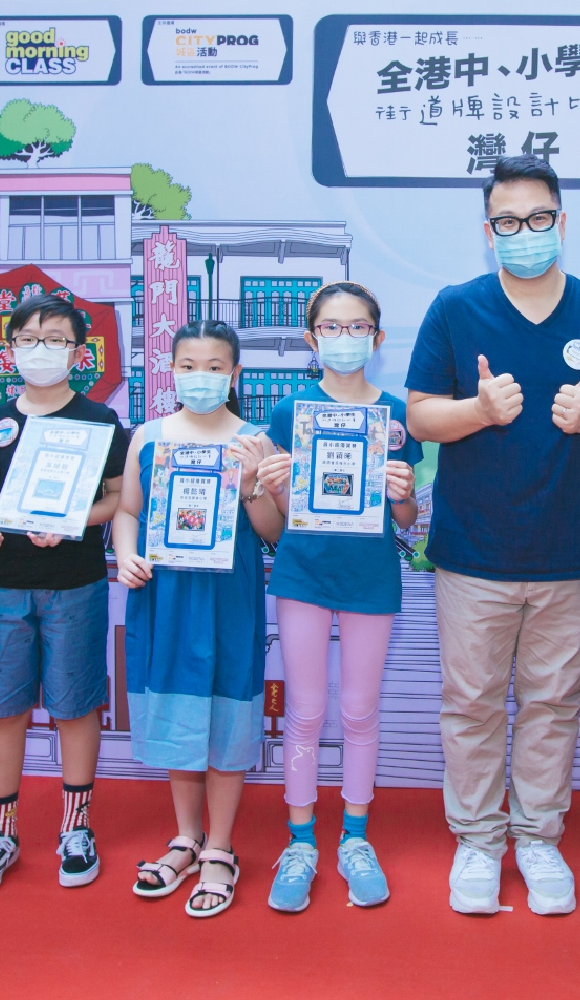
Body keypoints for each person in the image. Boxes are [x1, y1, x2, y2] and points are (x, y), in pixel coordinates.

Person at [405, 154, 580, 915]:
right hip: (473, 552)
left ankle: (539, 837)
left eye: (538, 218)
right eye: (507, 222)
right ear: (489, 232)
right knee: (472, 704)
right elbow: (419, 415)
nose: (524, 232)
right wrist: (478, 411)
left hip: (573, 552)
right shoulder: (456, 308)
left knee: (552, 705)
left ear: (562, 222)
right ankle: (478, 841)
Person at [256, 282, 422, 912]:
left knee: (358, 711)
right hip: (303, 573)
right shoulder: (289, 411)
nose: (344, 338)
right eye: (331, 327)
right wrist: (274, 487)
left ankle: (355, 837)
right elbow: (281, 520)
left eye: (358, 328)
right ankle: (300, 841)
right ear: (312, 337)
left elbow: (406, 519)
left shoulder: (397, 416)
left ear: (376, 338)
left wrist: (402, 493)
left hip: (370, 576)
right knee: (304, 711)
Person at [0, 294, 129, 895]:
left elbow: (117, 499)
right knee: (3, 709)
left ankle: (75, 827)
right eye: (29, 339)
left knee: (75, 707)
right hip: (3, 584)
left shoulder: (100, 421)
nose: (41, 350)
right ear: (10, 350)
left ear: (78, 353)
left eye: (55, 340)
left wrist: (75, 519)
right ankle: (0, 833)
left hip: (75, 583)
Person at [114, 320, 282, 918]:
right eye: (189, 366)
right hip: (166, 596)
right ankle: (186, 838)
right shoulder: (147, 436)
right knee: (179, 717)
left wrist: (252, 483)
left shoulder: (255, 441)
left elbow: (274, 532)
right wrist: (126, 554)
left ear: (234, 373)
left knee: (228, 715)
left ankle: (220, 848)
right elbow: (127, 511)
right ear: (171, 370)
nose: (201, 377)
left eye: (215, 367)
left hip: (229, 599)